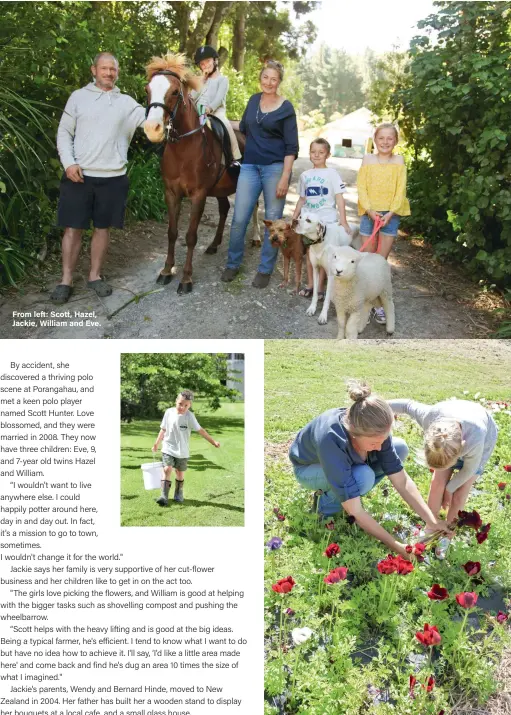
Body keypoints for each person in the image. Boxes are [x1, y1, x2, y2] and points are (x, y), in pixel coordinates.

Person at [288, 380, 449, 559]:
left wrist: (431, 520)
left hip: (346, 459)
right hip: (308, 469)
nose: (380, 448)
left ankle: (348, 493)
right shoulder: (331, 439)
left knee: (400, 447)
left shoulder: (374, 427)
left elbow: (402, 481)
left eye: (383, 440)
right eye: (374, 443)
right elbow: (356, 511)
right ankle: (325, 509)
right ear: (355, 433)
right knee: (363, 477)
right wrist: (397, 546)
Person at [52, 52, 146, 304]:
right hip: (79, 175)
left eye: (112, 69)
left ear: (117, 72)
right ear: (93, 70)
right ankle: (66, 280)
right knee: (73, 228)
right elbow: (64, 132)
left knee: (102, 229)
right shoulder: (78, 97)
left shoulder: (127, 103)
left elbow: (152, 123)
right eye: (104, 68)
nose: (108, 73)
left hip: (114, 177)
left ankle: (94, 276)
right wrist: (69, 163)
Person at [388, 397, 499, 559]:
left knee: (461, 492)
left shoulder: (476, 438)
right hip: (448, 430)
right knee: (438, 481)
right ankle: (431, 525)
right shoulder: (431, 419)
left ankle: (447, 535)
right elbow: (406, 405)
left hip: (483, 437)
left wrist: (450, 488)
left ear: (460, 450)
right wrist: (374, 405)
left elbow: (468, 470)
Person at [221, 60, 299, 289]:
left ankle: (265, 269)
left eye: (274, 79)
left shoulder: (286, 108)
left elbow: (291, 147)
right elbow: (243, 127)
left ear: (279, 81)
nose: (269, 82)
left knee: (274, 222)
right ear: (260, 78)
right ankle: (233, 263)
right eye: (266, 77)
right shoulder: (254, 100)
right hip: (250, 167)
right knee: (239, 219)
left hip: (275, 168)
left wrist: (285, 176)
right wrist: (218, 120)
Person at [357, 123, 410, 324]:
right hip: (368, 214)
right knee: (366, 261)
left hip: (390, 216)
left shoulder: (399, 161)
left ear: (395, 141)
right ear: (375, 140)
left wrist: (389, 213)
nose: (385, 142)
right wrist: (370, 210)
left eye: (390, 138)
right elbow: (361, 188)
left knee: (380, 263)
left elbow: (400, 191)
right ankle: (364, 304)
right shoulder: (367, 159)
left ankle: (379, 306)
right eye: (381, 138)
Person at [291, 138, 351, 299]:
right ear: (309, 153)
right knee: (311, 253)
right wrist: (295, 217)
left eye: (321, 152)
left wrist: (343, 221)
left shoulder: (332, 174)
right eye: (313, 152)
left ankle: (320, 288)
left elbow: (339, 198)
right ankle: (311, 284)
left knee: (326, 254)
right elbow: (302, 199)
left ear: (328, 155)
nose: (316, 155)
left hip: (327, 222)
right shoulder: (305, 175)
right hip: (308, 222)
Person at [151, 390, 220, 506]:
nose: (182, 407)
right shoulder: (168, 413)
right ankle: (164, 496)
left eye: (186, 405)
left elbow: (201, 431)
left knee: (179, 473)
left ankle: (178, 493)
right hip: (168, 447)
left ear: (190, 405)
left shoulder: (190, 417)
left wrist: (213, 442)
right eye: (180, 404)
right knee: (167, 469)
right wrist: (156, 443)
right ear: (176, 401)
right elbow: (163, 429)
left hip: (182, 451)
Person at [191, 45, 241, 167]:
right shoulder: (201, 80)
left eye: (207, 61)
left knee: (226, 125)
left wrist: (210, 108)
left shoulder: (222, 80)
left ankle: (235, 156)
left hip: (215, 112)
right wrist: (201, 81)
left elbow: (219, 98)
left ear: (215, 61)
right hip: (199, 111)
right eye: (202, 64)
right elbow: (192, 97)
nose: (205, 66)